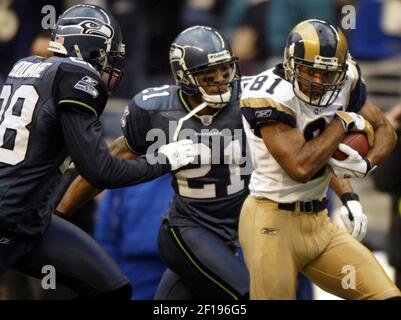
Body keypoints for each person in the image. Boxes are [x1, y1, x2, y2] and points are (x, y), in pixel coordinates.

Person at [0, 4, 195, 299]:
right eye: (111, 57)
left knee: (112, 289)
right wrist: (164, 160)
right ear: (93, 51)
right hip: (8, 218)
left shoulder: (26, 65)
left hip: (31, 221)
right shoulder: (77, 78)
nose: (113, 68)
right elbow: (100, 170)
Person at [57, 25, 251, 300]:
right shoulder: (156, 110)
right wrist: (58, 218)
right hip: (190, 229)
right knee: (250, 295)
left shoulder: (252, 100)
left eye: (225, 70)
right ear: (184, 76)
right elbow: (102, 170)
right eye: (208, 75)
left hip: (234, 233)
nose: (221, 80)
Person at [239, 19, 401, 300]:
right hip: (271, 223)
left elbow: (387, 130)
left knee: (385, 295)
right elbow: (300, 167)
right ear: (291, 62)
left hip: (320, 223)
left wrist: (362, 168)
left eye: (327, 75)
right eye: (310, 71)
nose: (318, 81)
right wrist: (342, 122)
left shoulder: (346, 80)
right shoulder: (269, 94)